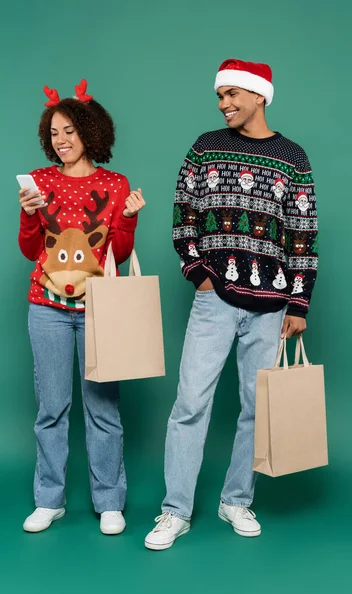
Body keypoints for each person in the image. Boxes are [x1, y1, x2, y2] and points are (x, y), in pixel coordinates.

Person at [145, 59, 318, 550]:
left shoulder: (292, 156)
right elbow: (184, 212)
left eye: (233, 95)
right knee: (190, 404)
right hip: (214, 298)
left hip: (273, 304)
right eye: (220, 96)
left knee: (255, 408)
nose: (224, 104)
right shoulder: (205, 147)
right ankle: (174, 510)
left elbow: (303, 233)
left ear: (260, 95)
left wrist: (299, 303)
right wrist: (198, 273)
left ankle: (235, 499)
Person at [18, 79, 145, 534]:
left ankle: (109, 500)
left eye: (69, 130)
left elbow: (120, 253)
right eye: (54, 132)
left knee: (102, 410)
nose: (61, 140)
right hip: (46, 307)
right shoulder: (39, 181)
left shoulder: (115, 184)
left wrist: (128, 220)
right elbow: (28, 247)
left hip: (99, 311)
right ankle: (48, 499)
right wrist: (29, 214)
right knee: (51, 409)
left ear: (90, 132)